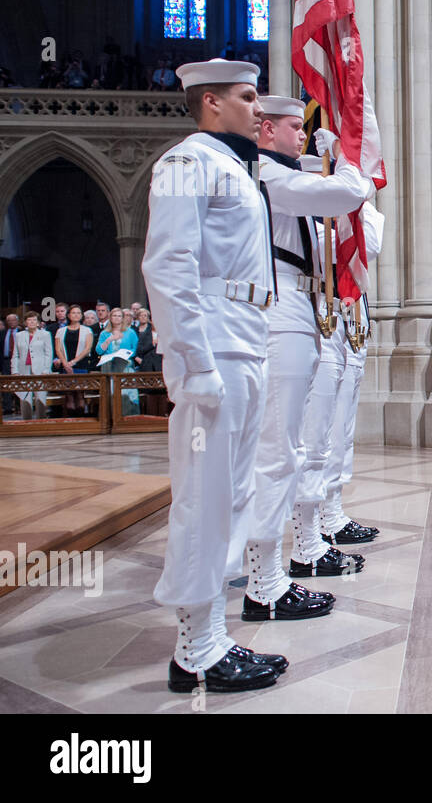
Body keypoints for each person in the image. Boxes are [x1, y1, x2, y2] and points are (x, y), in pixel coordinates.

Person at [141, 58, 286, 694]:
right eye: (248, 97)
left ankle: (212, 634)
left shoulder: (236, 169)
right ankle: (195, 648)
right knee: (204, 498)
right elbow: (168, 266)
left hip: (246, 340)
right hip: (214, 348)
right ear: (210, 104)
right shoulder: (185, 163)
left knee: (232, 496)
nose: (260, 109)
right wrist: (190, 362)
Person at [244, 95, 376, 621]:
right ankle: (266, 577)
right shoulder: (266, 176)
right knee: (281, 448)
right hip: (279, 309)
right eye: (294, 127)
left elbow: (361, 223)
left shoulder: (282, 175)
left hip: (304, 306)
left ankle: (294, 554)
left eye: (305, 127)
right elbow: (347, 193)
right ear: (266, 130)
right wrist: (343, 154)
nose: (302, 136)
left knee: (307, 440)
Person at [318, 203, 385, 548]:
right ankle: (316, 521)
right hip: (323, 310)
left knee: (343, 426)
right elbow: (349, 245)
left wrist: (355, 204)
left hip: (351, 312)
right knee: (322, 430)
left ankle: (333, 511)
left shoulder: (350, 207)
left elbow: (369, 241)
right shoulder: (303, 193)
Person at [95, 307, 140, 416]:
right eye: (114, 316)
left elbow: (135, 348)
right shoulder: (105, 333)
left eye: (119, 316)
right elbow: (99, 350)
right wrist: (110, 339)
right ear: (110, 318)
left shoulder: (130, 332)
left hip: (125, 366)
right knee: (111, 392)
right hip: (109, 366)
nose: (117, 318)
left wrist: (126, 354)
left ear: (123, 318)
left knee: (127, 392)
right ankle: (113, 417)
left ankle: (129, 417)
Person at [12, 312, 53, 419]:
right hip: (23, 370)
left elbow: (49, 354)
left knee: (40, 398)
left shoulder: (45, 334)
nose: (31, 322)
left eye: (34, 320)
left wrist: (46, 370)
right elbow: (15, 355)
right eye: (29, 320)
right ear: (25, 322)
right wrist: (15, 371)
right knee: (25, 398)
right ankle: (26, 423)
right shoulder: (19, 335)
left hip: (40, 370)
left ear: (38, 322)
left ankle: (41, 423)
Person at [55, 305, 95, 414]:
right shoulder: (61, 331)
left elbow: (87, 349)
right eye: (73, 313)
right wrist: (65, 364)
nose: (76, 315)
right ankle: (70, 422)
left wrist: (73, 362)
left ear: (81, 316)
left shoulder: (87, 330)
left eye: (78, 313)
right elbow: (58, 349)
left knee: (79, 393)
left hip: (81, 364)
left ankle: (82, 420)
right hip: (65, 365)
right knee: (69, 395)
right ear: (68, 315)